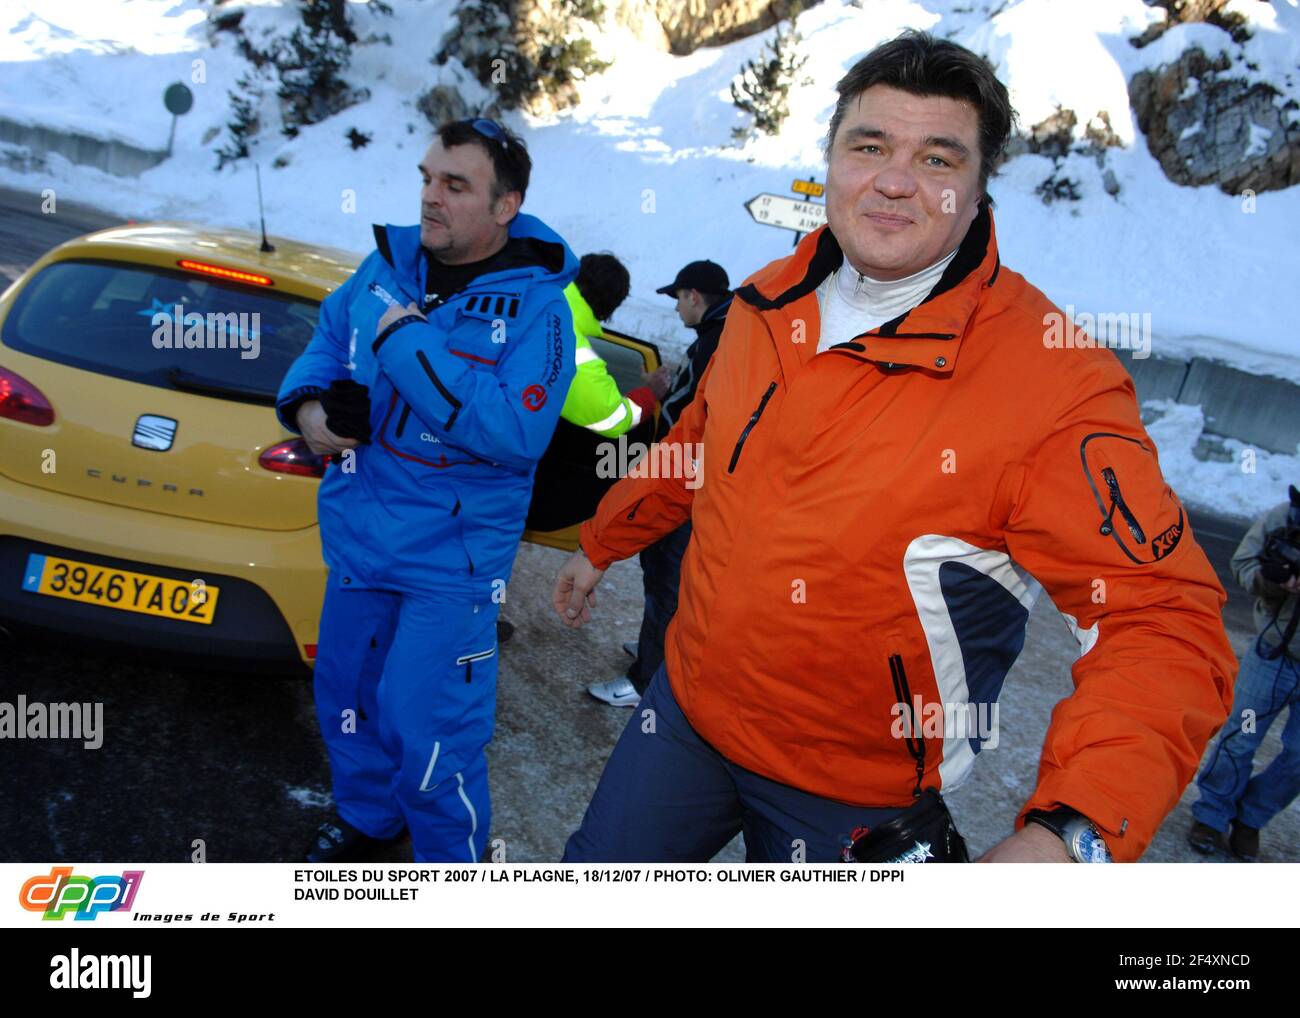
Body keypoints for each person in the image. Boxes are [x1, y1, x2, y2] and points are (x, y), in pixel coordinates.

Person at [551, 32, 1236, 863]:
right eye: (869, 145)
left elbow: (1161, 618)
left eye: (939, 159)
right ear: (832, 161)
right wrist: (602, 540)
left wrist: (1074, 836)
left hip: (853, 786)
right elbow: (700, 440)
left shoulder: (1052, 380)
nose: (895, 179)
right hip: (687, 715)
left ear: (980, 192)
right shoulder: (770, 300)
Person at [275, 118, 576, 862]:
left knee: (426, 724)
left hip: (452, 566)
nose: (430, 198)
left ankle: (449, 866)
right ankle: (369, 818)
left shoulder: (541, 310)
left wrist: (406, 343)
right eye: (426, 178)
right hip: (360, 540)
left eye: (455, 185)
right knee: (346, 699)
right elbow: (325, 341)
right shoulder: (384, 267)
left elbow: (514, 430)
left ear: (505, 207)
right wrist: (314, 410)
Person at [587, 260, 732, 707]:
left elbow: (704, 419)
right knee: (661, 572)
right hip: (686, 478)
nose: (675, 310)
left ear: (693, 296)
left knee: (669, 576)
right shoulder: (718, 334)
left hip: (689, 483)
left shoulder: (718, 341)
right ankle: (656, 648)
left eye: (677, 299)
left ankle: (647, 682)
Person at [1188, 485, 1300, 861]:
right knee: (1241, 737)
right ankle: (1212, 816)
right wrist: (1276, 580)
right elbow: (1242, 565)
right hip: (1273, 652)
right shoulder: (1283, 517)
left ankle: (1250, 817)